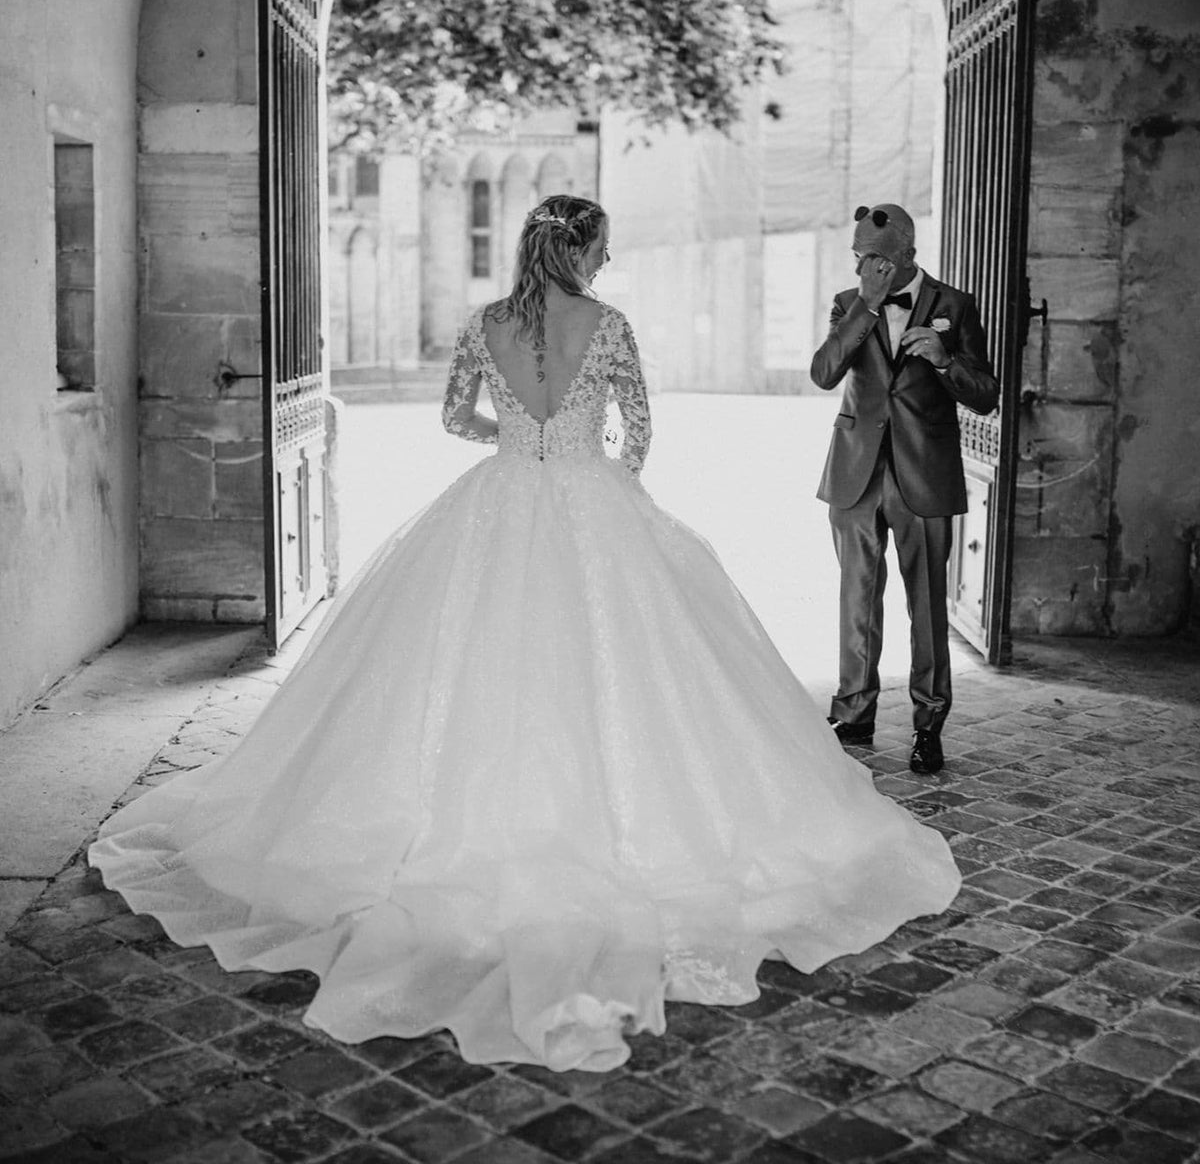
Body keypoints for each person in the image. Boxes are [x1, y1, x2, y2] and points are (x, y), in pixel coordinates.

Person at [90, 195, 960, 1074]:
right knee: (628, 678)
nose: (606, 268)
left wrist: (515, 438)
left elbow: (452, 419)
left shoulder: (484, 324)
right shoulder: (608, 324)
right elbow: (640, 435)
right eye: (605, 253)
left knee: (469, 677)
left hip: (498, 495)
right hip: (592, 501)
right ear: (584, 253)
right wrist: (603, 491)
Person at [811, 203, 999, 775]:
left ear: (905, 257)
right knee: (857, 599)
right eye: (859, 258)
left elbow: (986, 394)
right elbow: (824, 373)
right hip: (855, 472)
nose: (865, 267)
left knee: (927, 607)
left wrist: (944, 362)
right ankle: (855, 712)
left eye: (875, 260)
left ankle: (929, 724)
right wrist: (866, 305)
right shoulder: (850, 303)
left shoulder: (955, 306)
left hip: (925, 473)